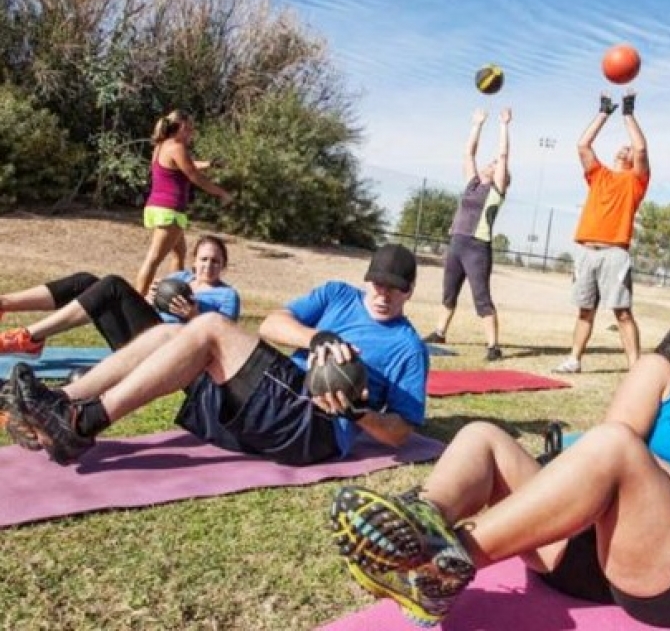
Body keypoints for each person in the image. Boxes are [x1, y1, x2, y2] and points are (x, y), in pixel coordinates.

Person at [328, 288, 670, 628]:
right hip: (584, 560)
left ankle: (435, 566)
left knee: (613, 446)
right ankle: (420, 519)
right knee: (483, 436)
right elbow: (618, 451)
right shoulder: (660, 374)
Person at [8, 244, 428, 467]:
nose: (383, 294)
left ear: (409, 291)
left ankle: (83, 422)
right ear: (367, 280)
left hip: (314, 429)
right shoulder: (338, 294)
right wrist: (317, 337)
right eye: (378, 283)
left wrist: (358, 413)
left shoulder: (409, 348)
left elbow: (400, 433)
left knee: (209, 326)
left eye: (394, 288)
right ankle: (60, 405)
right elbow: (272, 324)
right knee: (169, 333)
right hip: (279, 399)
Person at [0, 235, 240, 449]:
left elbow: (218, 341)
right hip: (144, 336)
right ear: (194, 260)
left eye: (215, 261)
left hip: (172, 350)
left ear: (223, 266)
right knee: (86, 282)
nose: (208, 265)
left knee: (113, 285)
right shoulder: (179, 278)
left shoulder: (227, 295)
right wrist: (151, 298)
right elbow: (145, 307)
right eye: (204, 259)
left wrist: (193, 315)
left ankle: (29, 338)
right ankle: (6, 305)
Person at [552, 91, 650, 374]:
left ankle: (635, 368)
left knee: (622, 313)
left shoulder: (635, 181)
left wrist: (628, 112)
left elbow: (641, 148)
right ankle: (574, 359)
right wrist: (604, 112)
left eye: (628, 150)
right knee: (584, 311)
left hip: (614, 254)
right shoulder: (598, 175)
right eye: (622, 147)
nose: (625, 149)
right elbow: (583, 144)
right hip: (586, 251)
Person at [423, 108, 512, 362]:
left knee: (481, 298)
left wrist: (504, 125)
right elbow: (468, 153)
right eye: (491, 162)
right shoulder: (472, 184)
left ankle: (493, 347)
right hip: (457, 242)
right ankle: (440, 332)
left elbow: (503, 155)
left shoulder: (496, 190)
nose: (491, 163)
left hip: (477, 247)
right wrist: (477, 124)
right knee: (449, 292)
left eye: (495, 164)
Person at [134, 109, 233, 297]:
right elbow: (194, 176)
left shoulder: (162, 146)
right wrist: (221, 193)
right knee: (153, 259)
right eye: (189, 128)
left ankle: (173, 296)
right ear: (181, 126)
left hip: (158, 206)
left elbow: (186, 164)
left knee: (179, 254)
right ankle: (136, 301)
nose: (191, 133)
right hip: (169, 210)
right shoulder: (177, 147)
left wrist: (209, 164)